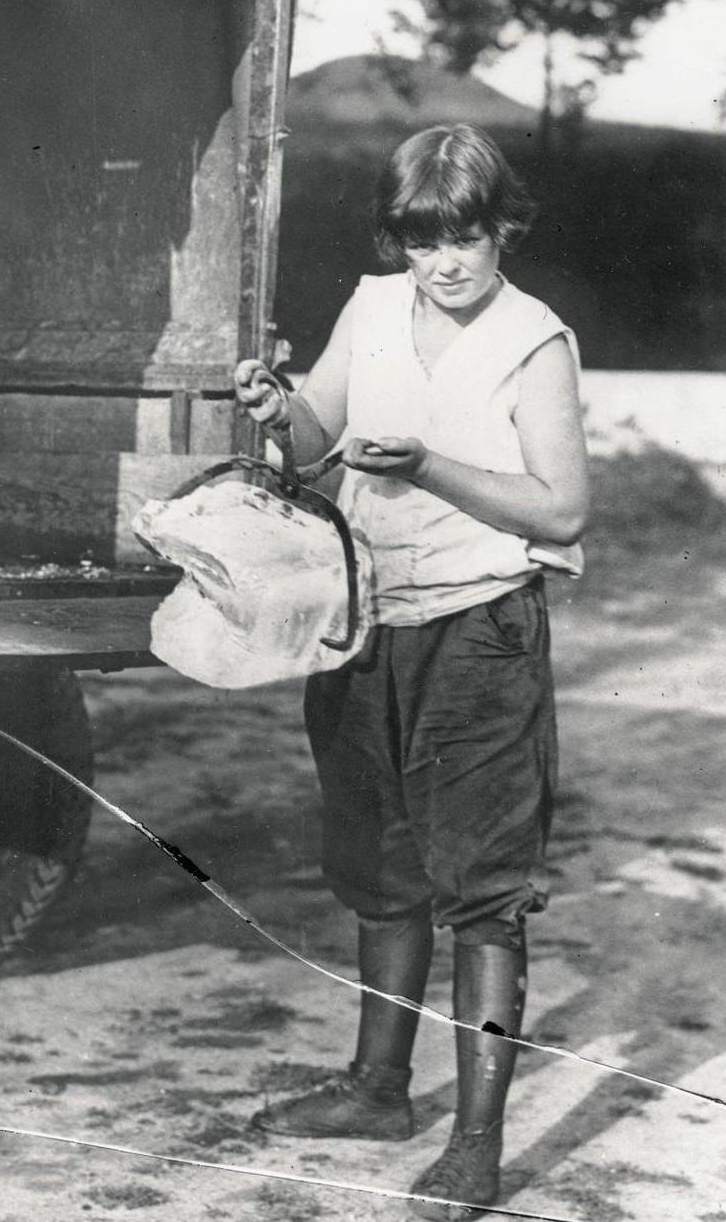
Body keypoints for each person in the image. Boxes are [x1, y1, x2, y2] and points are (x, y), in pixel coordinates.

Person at [234, 123, 589, 1219]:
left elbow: (563, 508)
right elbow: (311, 436)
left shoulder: (534, 342)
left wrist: (431, 466)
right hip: (365, 622)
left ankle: (476, 1148)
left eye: (467, 240)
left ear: (504, 231)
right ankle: (376, 1088)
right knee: (377, 865)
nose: (444, 265)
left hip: (479, 635)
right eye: (424, 241)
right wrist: (273, 409)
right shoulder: (374, 304)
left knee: (481, 893)